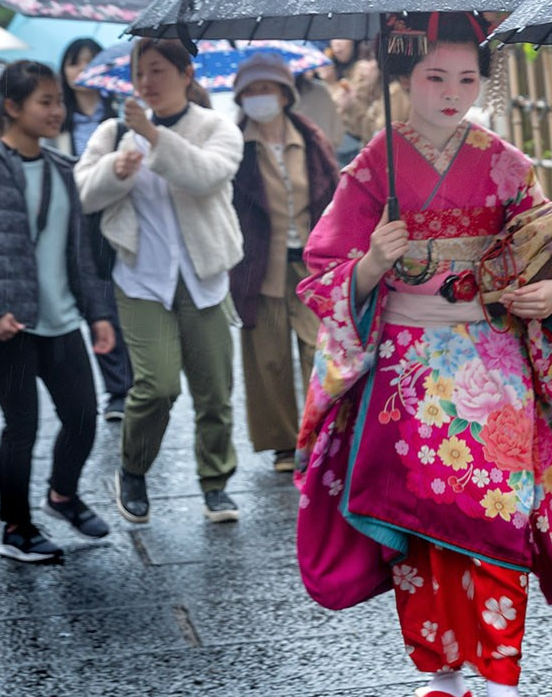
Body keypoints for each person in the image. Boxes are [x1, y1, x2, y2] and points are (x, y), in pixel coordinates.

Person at [295, 12, 552, 697]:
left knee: (497, 516)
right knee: (421, 528)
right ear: (406, 78)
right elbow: (324, 271)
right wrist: (371, 263)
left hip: (490, 359)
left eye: (468, 78)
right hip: (404, 365)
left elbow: (544, 251)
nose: (452, 92)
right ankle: (443, 676)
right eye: (436, 77)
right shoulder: (373, 166)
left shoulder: (505, 164)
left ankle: (504, 683)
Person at [75, 38, 245, 526]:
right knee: (158, 385)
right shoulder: (112, 134)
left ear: (186, 74)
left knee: (214, 390)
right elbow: (85, 193)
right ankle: (133, 470)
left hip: (204, 277)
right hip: (141, 278)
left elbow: (209, 176)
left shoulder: (215, 126)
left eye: (157, 71)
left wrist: (152, 136)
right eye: (139, 73)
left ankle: (216, 484)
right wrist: (115, 170)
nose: (146, 82)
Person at [0, 61, 116, 562]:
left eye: (58, 101)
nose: (56, 111)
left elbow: (81, 255)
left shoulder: (62, 167)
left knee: (84, 417)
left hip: (61, 317)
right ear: (12, 107)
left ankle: (62, 494)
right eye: (44, 101)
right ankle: (16, 529)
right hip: (8, 324)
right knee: (21, 426)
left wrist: (98, 314)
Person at [230, 51, 339, 472]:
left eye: (267, 88)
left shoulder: (310, 139)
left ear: (284, 93)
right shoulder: (235, 146)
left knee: (318, 350)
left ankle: (321, 434)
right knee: (268, 357)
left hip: (309, 264)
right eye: (251, 90)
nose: (260, 97)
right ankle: (280, 443)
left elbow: (332, 199)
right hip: (259, 266)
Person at [53, 37, 132, 423]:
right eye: (74, 63)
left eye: (90, 61)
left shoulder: (120, 117)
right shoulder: (56, 120)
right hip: (74, 219)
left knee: (129, 296)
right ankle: (117, 389)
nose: (81, 70)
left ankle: (135, 381)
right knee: (98, 301)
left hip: (117, 213)